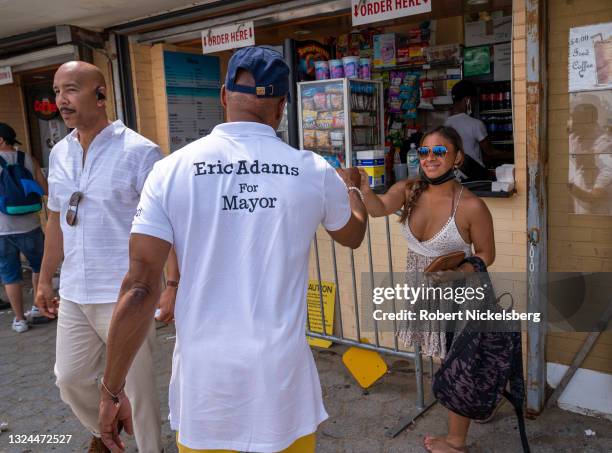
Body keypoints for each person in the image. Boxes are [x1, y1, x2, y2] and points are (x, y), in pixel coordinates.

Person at [97, 46, 367, 453]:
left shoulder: (170, 171)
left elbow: (138, 288)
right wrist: (350, 187)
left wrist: (111, 390)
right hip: (282, 387)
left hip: (207, 392)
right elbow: (353, 234)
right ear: (281, 106)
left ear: (223, 97)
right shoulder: (313, 170)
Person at [34, 61, 173, 453]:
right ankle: (106, 431)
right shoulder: (60, 153)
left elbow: (168, 225)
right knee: (69, 378)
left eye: (71, 89)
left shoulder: (141, 153)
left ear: (100, 94)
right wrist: (46, 279)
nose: (61, 99)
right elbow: (57, 221)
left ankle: (150, 448)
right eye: (57, 90)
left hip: (128, 292)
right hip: (76, 290)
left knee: (138, 389)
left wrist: (172, 284)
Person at [357, 126, 495, 453]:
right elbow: (378, 208)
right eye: (424, 151)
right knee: (443, 358)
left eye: (439, 151)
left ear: (458, 157)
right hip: (423, 289)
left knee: (458, 362)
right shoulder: (409, 189)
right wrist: (363, 188)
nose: (430, 158)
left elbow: (487, 254)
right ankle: (470, 407)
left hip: (459, 292)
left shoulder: (471, 205)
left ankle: (457, 443)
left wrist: (458, 273)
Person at [0, 123, 47, 333]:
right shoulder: (28, 159)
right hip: (31, 225)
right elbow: (45, 189)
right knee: (39, 266)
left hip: (3, 230)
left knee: (10, 275)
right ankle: (38, 307)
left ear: (1, 140)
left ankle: (19, 319)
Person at [445, 80, 497, 170]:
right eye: (474, 101)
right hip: (475, 174)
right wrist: (514, 153)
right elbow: (490, 152)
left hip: (455, 173)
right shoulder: (476, 124)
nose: (474, 105)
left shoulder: (445, 124)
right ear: (467, 100)